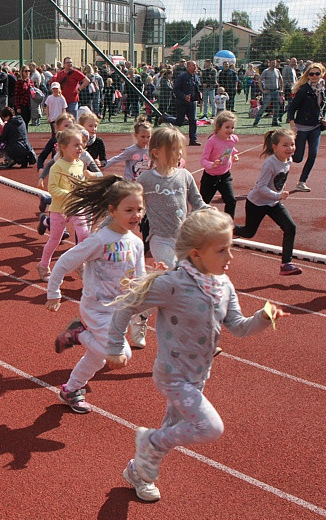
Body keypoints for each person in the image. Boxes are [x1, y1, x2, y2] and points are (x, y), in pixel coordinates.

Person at [108, 208, 286, 502]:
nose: (230, 257)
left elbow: (239, 328)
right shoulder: (173, 285)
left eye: (231, 247)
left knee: (173, 429)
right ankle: (148, 440)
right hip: (173, 375)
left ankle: (137, 473)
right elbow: (126, 306)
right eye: (222, 250)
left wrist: (263, 319)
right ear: (196, 254)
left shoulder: (224, 286)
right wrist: (115, 346)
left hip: (198, 375)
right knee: (209, 427)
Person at [45, 175, 146, 413]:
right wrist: (53, 292)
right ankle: (79, 333)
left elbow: (140, 278)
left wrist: (154, 284)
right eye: (129, 209)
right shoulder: (100, 240)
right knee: (120, 357)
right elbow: (64, 262)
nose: (136, 215)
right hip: (96, 309)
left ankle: (71, 389)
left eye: (140, 209)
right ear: (112, 210)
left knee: (97, 358)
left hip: (118, 312)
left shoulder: (136, 243)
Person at [137, 126, 209, 268]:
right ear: (156, 153)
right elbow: (125, 201)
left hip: (183, 239)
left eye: (180, 148)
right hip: (160, 239)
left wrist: (210, 211)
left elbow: (197, 202)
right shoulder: (145, 179)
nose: (180, 153)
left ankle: (157, 283)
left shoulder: (185, 175)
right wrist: (105, 225)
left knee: (188, 274)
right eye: (174, 149)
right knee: (173, 271)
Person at [234, 129, 302, 276]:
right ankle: (225, 228)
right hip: (257, 203)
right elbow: (260, 187)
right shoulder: (269, 163)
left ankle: (286, 264)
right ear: (275, 147)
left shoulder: (288, 159)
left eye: (292, 144)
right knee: (248, 232)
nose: (290, 148)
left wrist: (277, 195)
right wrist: (277, 195)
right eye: (285, 145)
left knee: (290, 227)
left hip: (272, 203)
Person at [36, 128, 94, 281]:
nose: (80, 148)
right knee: (55, 240)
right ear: (63, 148)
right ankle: (43, 265)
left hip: (77, 208)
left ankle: (78, 263)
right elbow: (52, 188)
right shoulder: (58, 166)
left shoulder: (81, 164)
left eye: (81, 144)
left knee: (84, 235)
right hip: (59, 210)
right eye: (76, 145)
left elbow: (81, 184)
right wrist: (69, 194)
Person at [288, 63, 326, 193]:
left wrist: (323, 120)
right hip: (301, 127)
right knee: (297, 158)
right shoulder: (304, 90)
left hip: (315, 127)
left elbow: (320, 107)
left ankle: (302, 182)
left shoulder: (322, 88)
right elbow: (292, 108)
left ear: (321, 74)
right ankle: (278, 167)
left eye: (317, 73)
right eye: (311, 74)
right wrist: (292, 124)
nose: (314, 76)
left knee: (313, 154)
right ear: (308, 75)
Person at [200, 112, 239, 218]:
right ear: (219, 127)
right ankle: (196, 225)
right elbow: (203, 160)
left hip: (225, 176)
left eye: (232, 127)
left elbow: (229, 148)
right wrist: (211, 165)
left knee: (231, 201)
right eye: (227, 127)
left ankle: (228, 225)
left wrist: (234, 154)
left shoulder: (233, 139)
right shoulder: (212, 141)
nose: (230, 130)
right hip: (210, 177)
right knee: (202, 203)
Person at [159, 61, 201, 146]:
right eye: (193, 65)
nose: (195, 67)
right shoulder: (182, 77)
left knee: (193, 121)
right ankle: (165, 117)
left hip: (192, 102)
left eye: (196, 66)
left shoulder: (196, 77)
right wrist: (184, 96)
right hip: (182, 102)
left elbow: (197, 87)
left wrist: (199, 94)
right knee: (179, 122)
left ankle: (193, 140)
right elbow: (176, 89)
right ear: (188, 66)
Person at [102, 116, 152, 181]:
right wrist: (103, 166)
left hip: (145, 181)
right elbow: (117, 159)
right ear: (136, 135)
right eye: (143, 137)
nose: (146, 139)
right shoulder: (131, 151)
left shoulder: (151, 150)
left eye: (148, 137)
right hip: (131, 183)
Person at [253, 59, 283, 128]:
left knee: (276, 107)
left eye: (274, 63)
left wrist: (281, 89)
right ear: (269, 63)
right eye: (272, 63)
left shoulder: (277, 71)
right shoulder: (266, 71)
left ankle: (274, 122)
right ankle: (256, 122)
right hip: (268, 91)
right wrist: (262, 90)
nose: (273, 64)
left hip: (276, 91)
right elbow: (260, 80)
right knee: (263, 107)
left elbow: (281, 80)